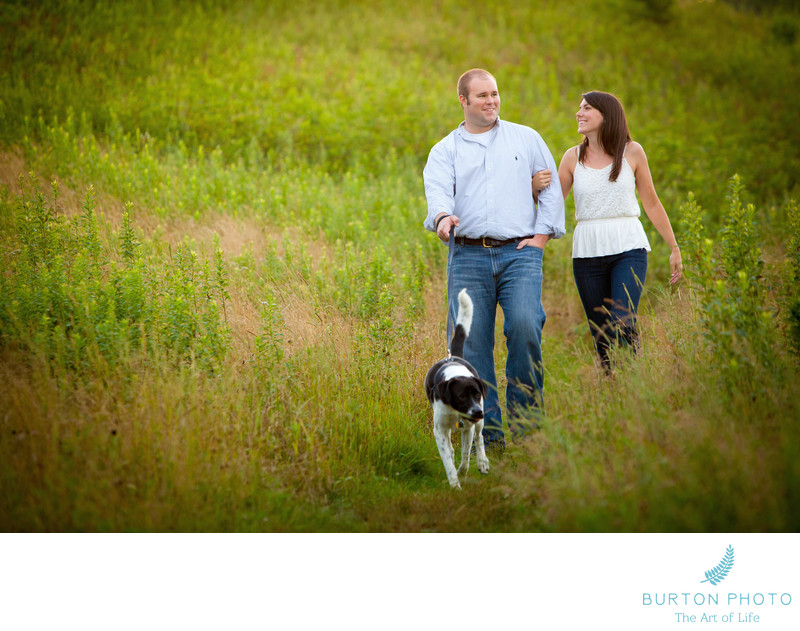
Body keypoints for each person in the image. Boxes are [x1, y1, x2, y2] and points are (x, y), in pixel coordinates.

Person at [423, 68, 565, 449]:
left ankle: (529, 426)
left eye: (495, 94)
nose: (491, 101)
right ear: (463, 101)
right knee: (471, 344)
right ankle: (491, 433)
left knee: (524, 325)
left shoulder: (526, 138)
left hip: (520, 253)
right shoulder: (445, 150)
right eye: (482, 96)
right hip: (467, 253)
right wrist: (442, 218)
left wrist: (540, 237)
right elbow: (437, 192)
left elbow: (550, 189)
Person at [535, 91, 682, 371]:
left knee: (622, 320)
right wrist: (533, 191)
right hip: (587, 251)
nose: (579, 113)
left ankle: (634, 381)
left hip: (628, 247)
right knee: (601, 333)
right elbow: (551, 205)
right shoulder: (571, 157)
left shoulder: (633, 152)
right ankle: (614, 389)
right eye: (579, 108)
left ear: (606, 115)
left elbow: (651, 202)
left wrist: (674, 247)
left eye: (587, 108)